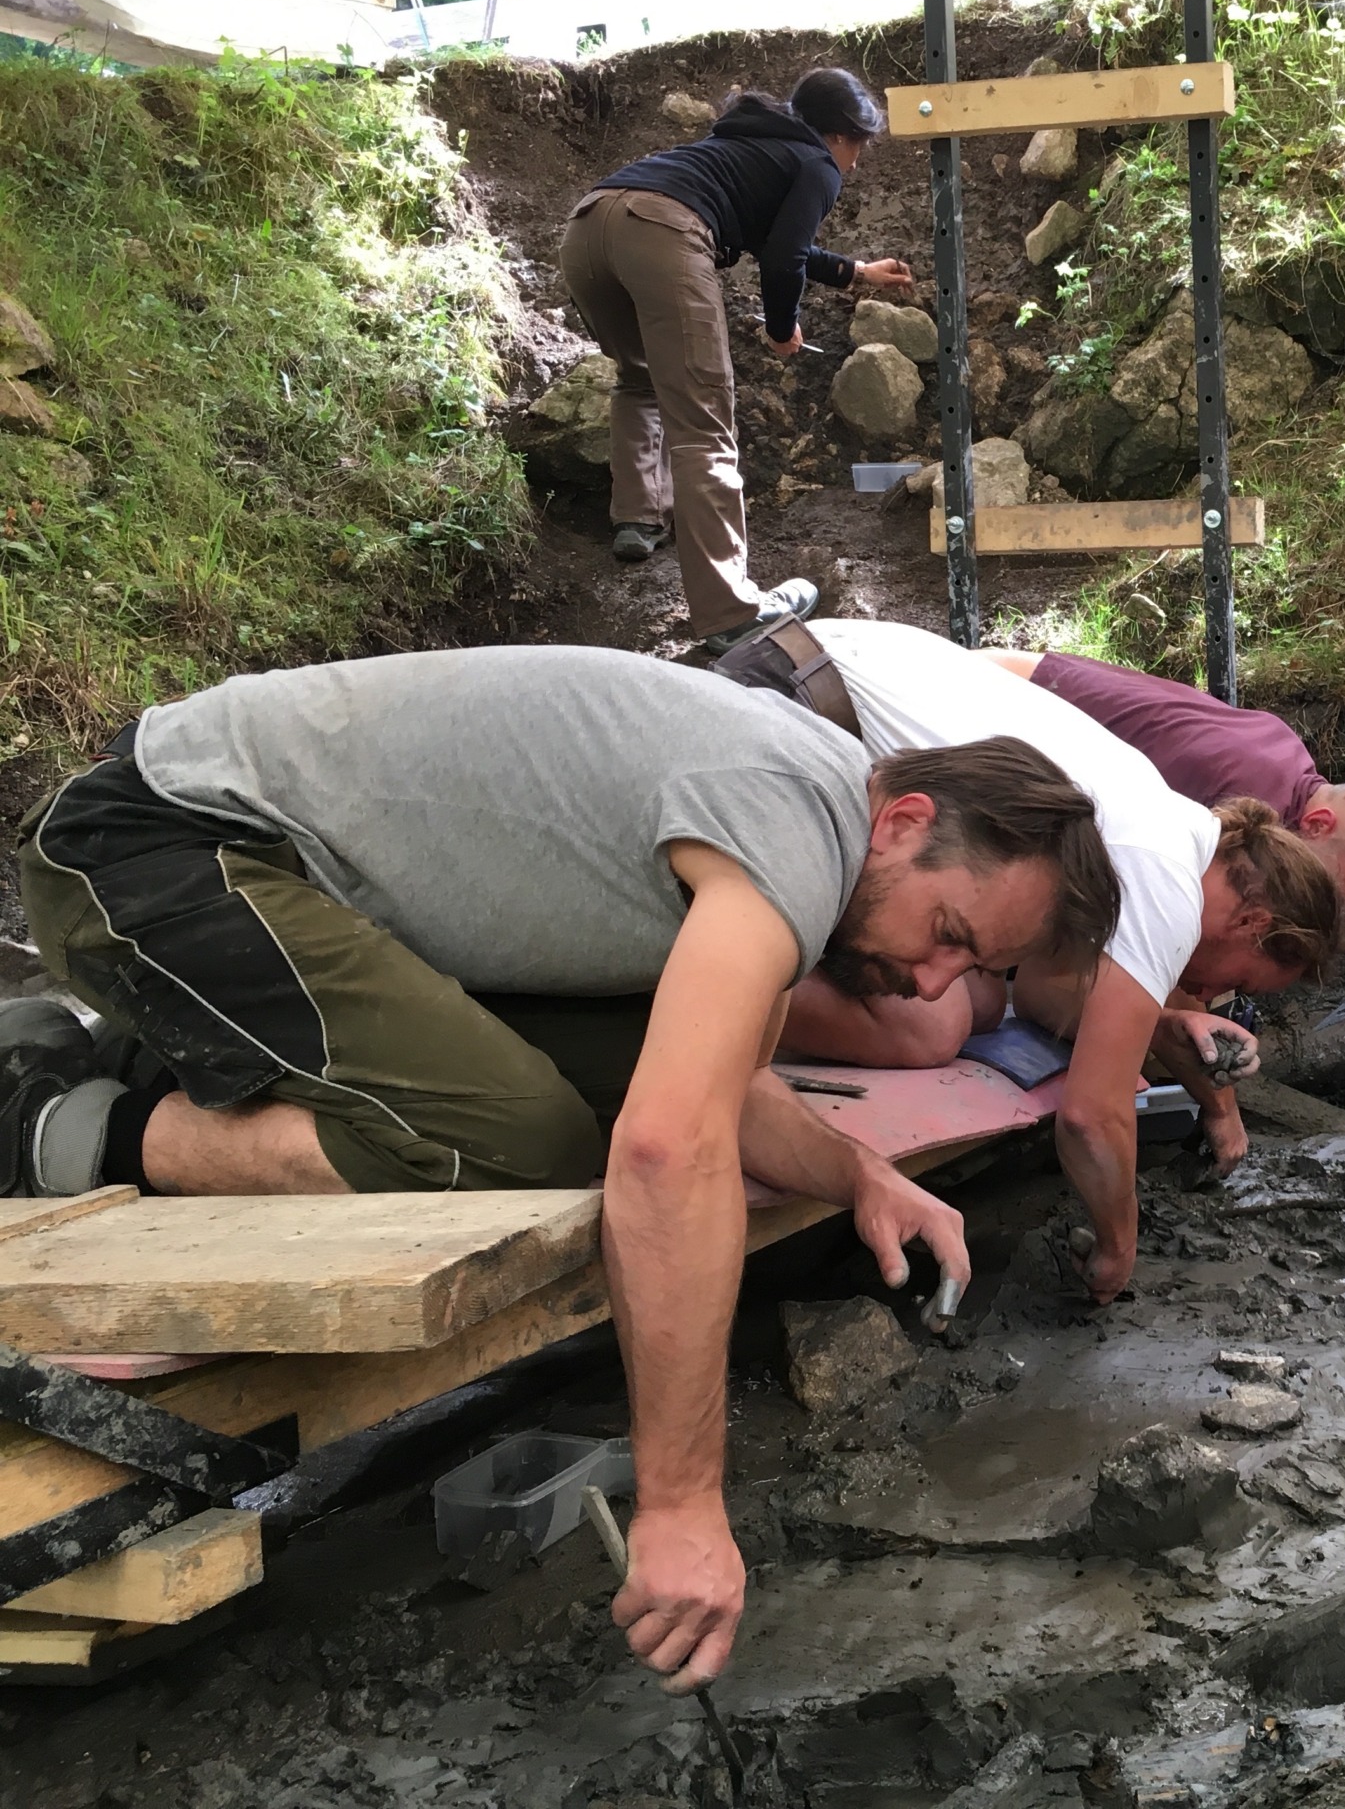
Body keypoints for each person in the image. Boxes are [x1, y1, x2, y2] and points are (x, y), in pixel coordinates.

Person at [6, 646, 1118, 1691]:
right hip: (153, 854)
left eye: (975, 967)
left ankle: (132, 1052)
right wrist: (681, 1505)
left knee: (593, 1092)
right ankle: (50, 1121)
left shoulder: (814, 814)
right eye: (950, 934)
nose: (934, 986)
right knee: (519, 1141)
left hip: (291, 892)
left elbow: (718, 1089)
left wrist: (857, 1175)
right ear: (906, 822)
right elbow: (664, 1149)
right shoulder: (795, 820)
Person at [772, 621, 1342, 1294]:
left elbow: (1040, 992)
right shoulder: (1165, 875)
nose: (1216, 993)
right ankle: (703, 1002)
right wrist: (1116, 1246)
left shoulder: (1168, 826)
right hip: (800, 713)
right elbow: (1090, 1117)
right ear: (1252, 920)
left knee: (979, 999)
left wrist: (1160, 1027)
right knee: (929, 1022)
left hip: (816, 666)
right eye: (1240, 979)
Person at [561, 66, 914, 650]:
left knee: (640, 377)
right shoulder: (818, 164)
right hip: (664, 233)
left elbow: (775, 239)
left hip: (588, 226)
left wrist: (856, 271)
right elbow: (783, 261)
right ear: (843, 136)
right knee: (703, 429)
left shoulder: (749, 140)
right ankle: (732, 613)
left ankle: (638, 517)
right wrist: (782, 329)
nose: (856, 164)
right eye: (861, 148)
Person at [983, 650, 1345, 952]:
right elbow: (1174, 929)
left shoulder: (1288, 766)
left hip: (1003, 687)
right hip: (985, 705)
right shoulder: (1252, 797)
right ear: (1319, 825)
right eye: (1327, 889)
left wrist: (1339, 925)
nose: (1312, 898)